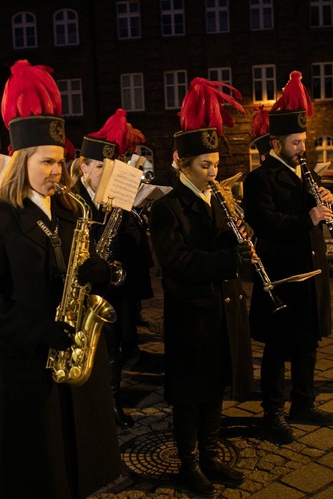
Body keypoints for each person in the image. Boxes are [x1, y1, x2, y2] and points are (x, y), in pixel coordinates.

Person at [0, 59, 122, 499]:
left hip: (79, 355)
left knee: (81, 453)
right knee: (40, 464)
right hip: (32, 360)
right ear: (22, 160)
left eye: (62, 162)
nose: (57, 171)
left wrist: (102, 274)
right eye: (47, 162)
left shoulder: (72, 210)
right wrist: (37, 330)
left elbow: (89, 271)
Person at [149, 77, 255, 497]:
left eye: (215, 165)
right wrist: (229, 258)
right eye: (204, 166)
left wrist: (242, 236)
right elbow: (176, 263)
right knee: (190, 394)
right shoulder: (167, 206)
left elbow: (226, 245)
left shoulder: (219, 199)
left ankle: (211, 456)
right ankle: (189, 462)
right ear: (181, 164)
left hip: (223, 305)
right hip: (190, 312)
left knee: (216, 387)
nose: (213, 173)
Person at [243, 70, 333, 445]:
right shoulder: (260, 178)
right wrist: (307, 218)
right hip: (282, 274)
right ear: (277, 143)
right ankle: (273, 412)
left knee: (308, 343)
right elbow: (264, 222)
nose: (302, 147)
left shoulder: (306, 174)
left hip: (311, 271)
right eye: (296, 142)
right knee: (278, 347)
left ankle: (303, 402)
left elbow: (318, 209)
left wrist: (331, 200)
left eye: (303, 140)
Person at [69, 108, 147, 429]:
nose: (105, 172)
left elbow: (132, 235)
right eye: (100, 166)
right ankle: (85, 405)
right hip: (81, 284)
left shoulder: (115, 198)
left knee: (113, 349)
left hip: (109, 286)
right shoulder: (71, 198)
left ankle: (113, 402)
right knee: (84, 347)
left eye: (109, 166)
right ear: (84, 167)